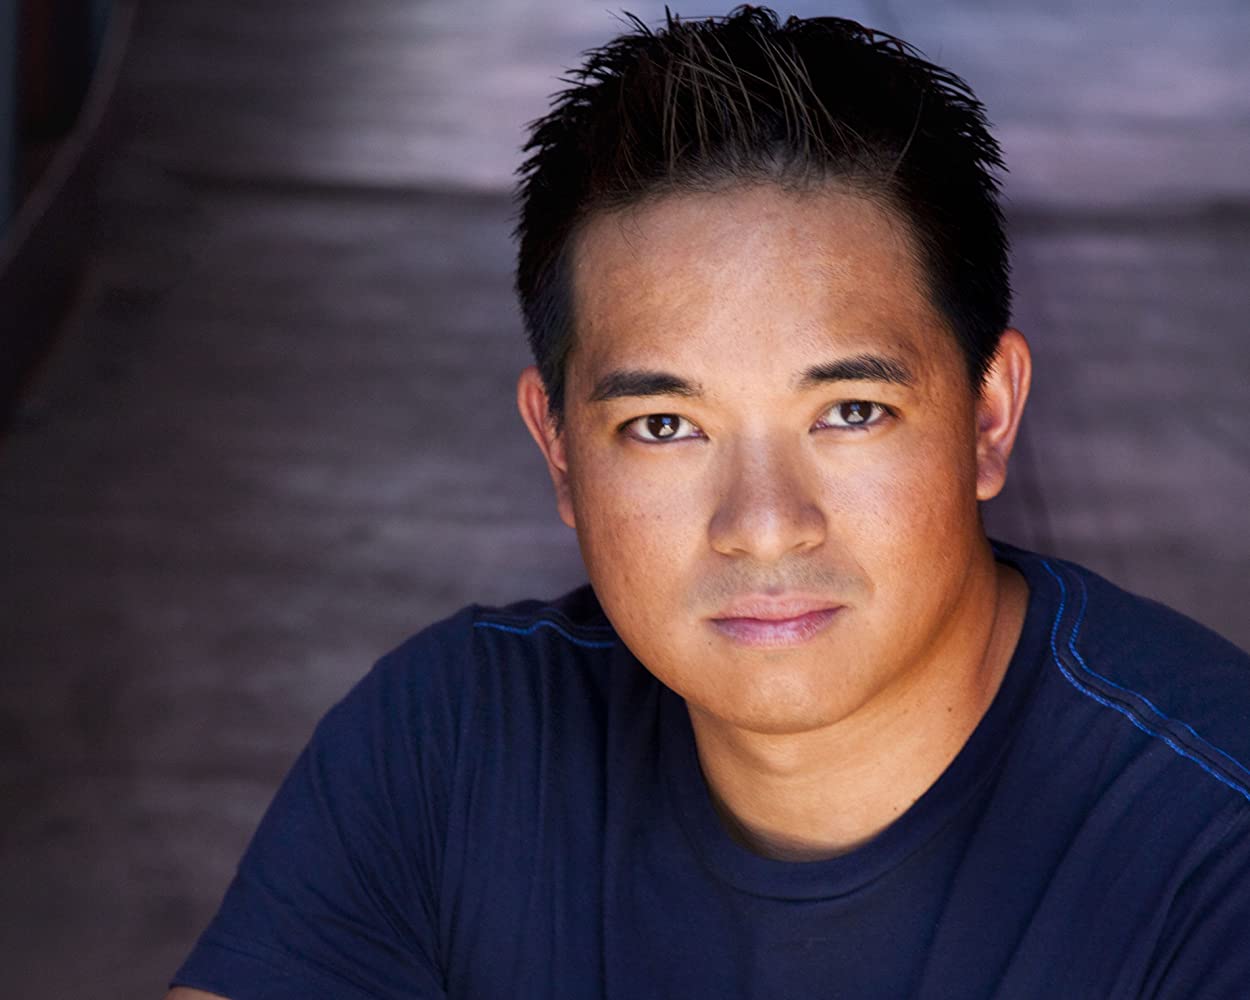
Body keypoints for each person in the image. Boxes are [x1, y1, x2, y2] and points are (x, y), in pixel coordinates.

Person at [166, 8, 1250, 998]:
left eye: (850, 411)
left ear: (988, 416)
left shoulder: (1212, 846)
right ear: (558, 450)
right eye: (664, 426)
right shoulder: (450, 751)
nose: (764, 525)